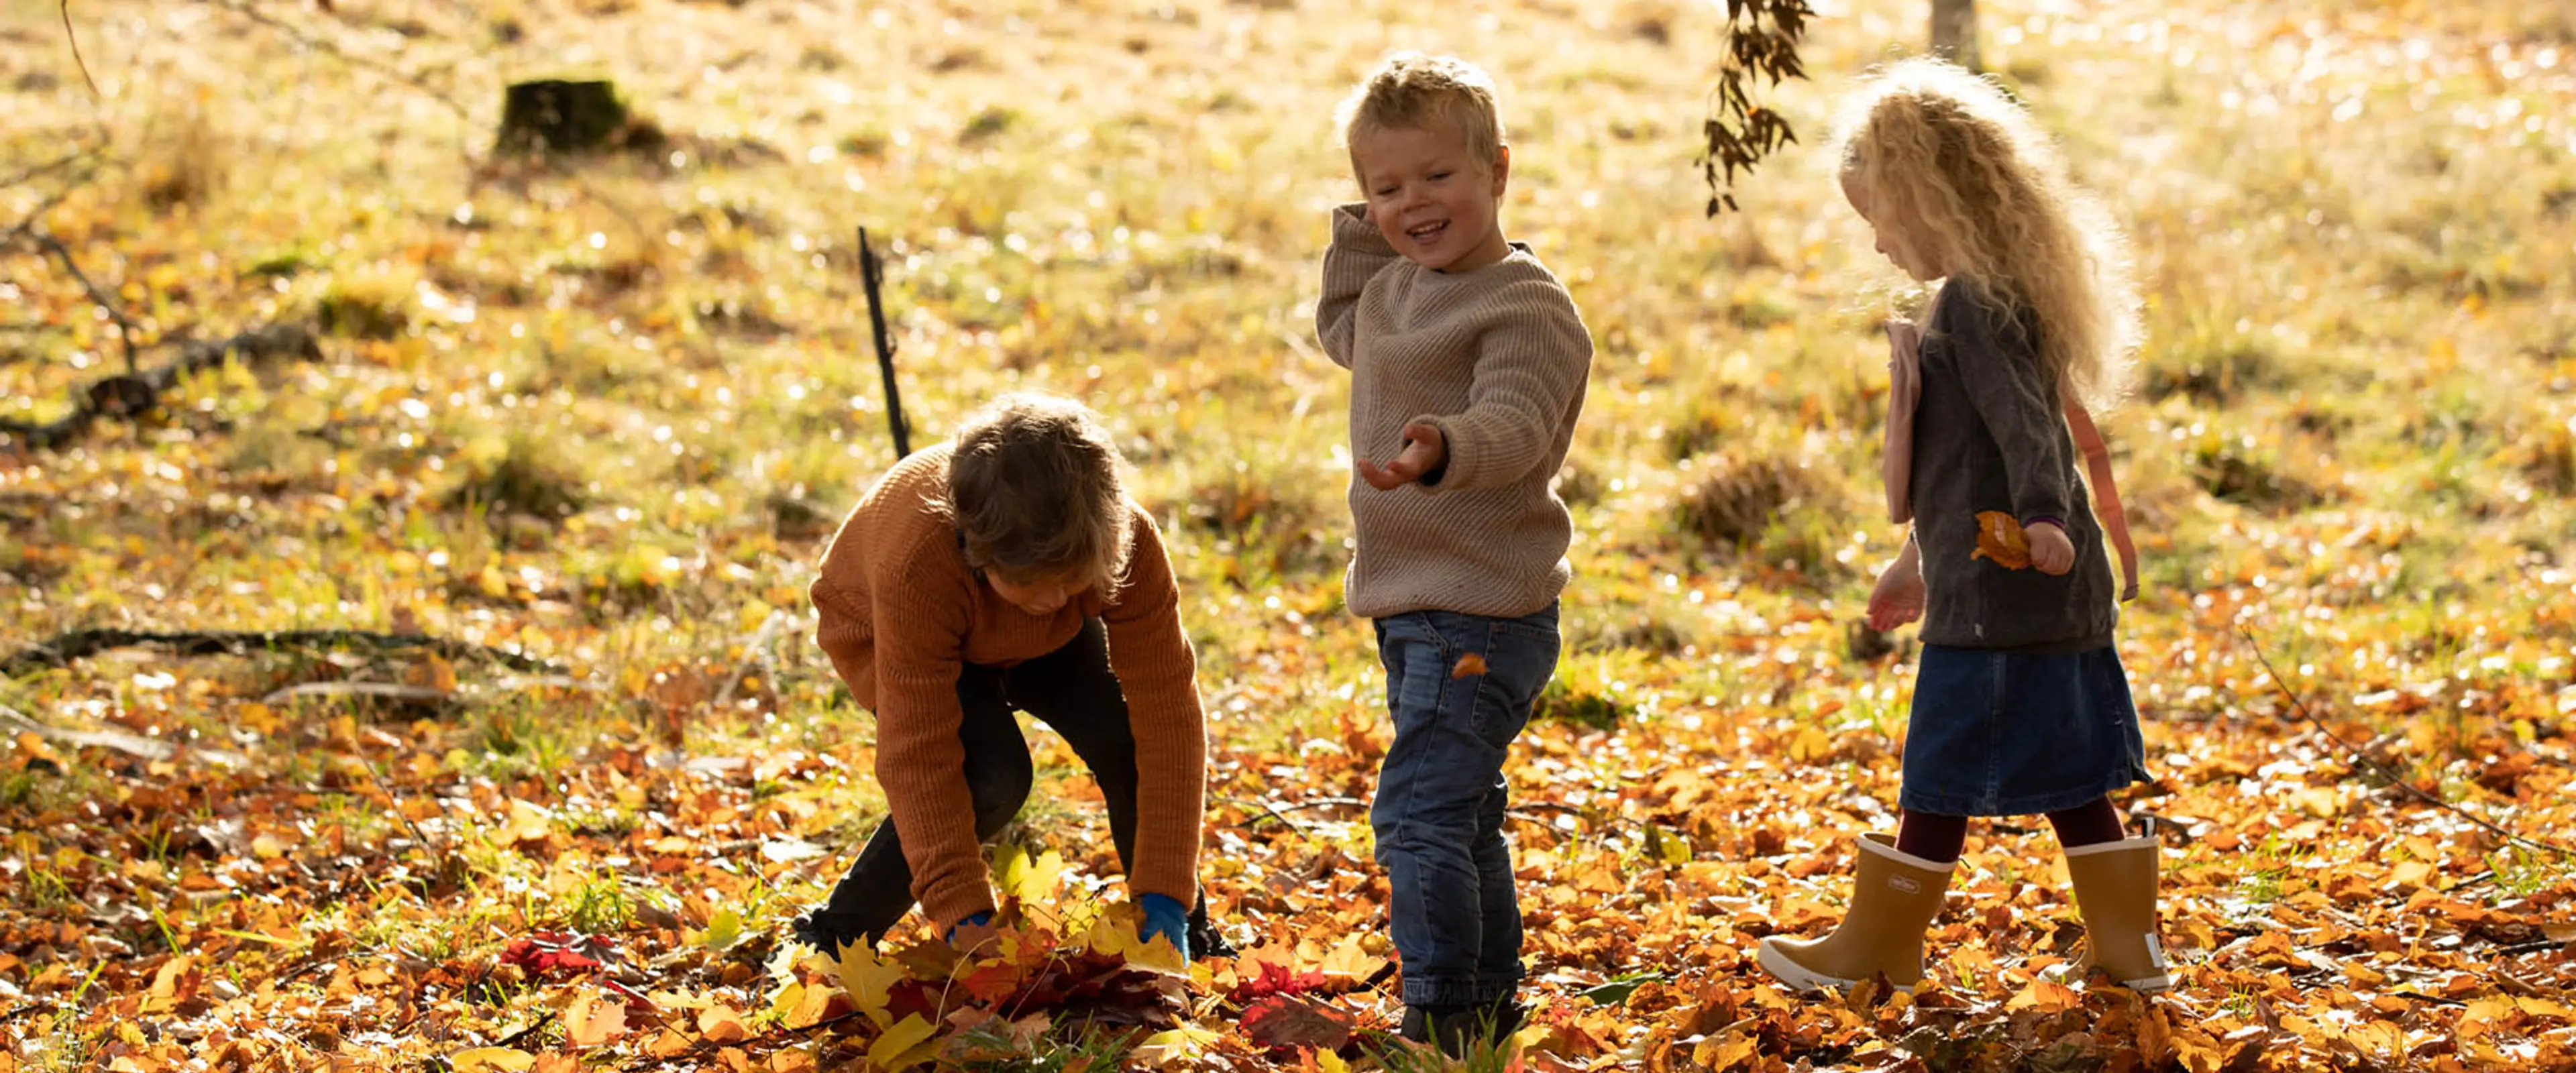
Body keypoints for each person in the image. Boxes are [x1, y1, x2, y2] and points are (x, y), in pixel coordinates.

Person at [1756, 57, 2168, 996]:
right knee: (2068, 777)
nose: (1877, 247)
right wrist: (1915, 564)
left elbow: (2029, 430)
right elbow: (1961, 468)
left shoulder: (1977, 307)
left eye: (1880, 220)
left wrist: (2041, 518)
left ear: (1930, 197)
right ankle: (2130, 953)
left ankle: (1875, 952)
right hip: (2015, 581)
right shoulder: (1995, 296)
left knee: (1939, 766)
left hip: (2003, 589)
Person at [1316, 52, 1596, 1053]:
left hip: (1483, 612)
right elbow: (1345, 331)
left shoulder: (1525, 305)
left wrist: (1444, 444)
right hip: (1410, 607)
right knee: (1464, 809)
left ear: (1498, 172)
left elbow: (1516, 423)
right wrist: (1363, 226)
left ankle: (1440, 1013)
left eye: (1436, 177)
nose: (1412, 204)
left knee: (1418, 814)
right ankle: (1489, 991)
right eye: (1385, 188)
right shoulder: (1396, 286)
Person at [790, 393, 1222, 962]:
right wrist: (962, 915)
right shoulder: (920, 561)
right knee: (991, 775)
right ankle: (834, 935)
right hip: (889, 622)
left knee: (1126, 739)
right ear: (979, 551)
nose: (1050, 599)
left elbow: (1167, 715)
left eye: (1068, 581)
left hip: (1036, 639)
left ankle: (1180, 927)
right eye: (1032, 584)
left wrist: (1168, 896)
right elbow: (917, 753)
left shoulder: (1120, 544)